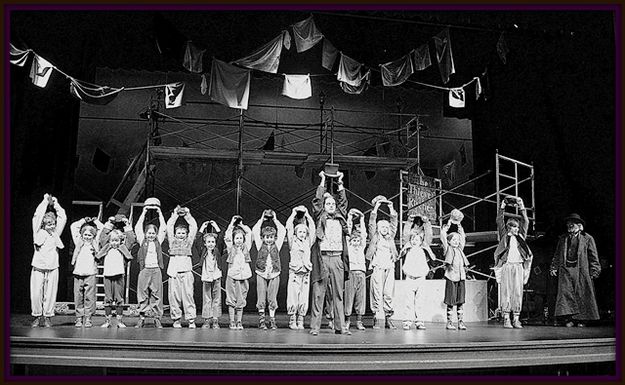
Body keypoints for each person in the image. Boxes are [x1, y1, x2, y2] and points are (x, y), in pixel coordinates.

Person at [309, 170, 351, 336]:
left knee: (338, 295)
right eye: (328, 204)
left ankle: (340, 327)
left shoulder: (341, 216)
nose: (331, 206)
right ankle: (315, 327)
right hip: (323, 258)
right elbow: (317, 201)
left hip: (337, 259)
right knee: (319, 293)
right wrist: (323, 180)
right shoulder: (320, 216)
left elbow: (343, 202)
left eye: (333, 204)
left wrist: (340, 181)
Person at [549, 213, 601, 327]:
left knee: (581, 294)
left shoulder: (587, 239)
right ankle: (569, 319)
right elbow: (557, 254)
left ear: (579, 225)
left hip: (580, 270)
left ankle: (582, 320)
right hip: (566, 270)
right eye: (568, 224)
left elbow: (593, 256)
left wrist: (595, 270)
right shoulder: (563, 239)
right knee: (566, 294)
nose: (569, 225)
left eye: (572, 224)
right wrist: (554, 267)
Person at [493, 196, 533, 328]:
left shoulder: (521, 236)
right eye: (513, 227)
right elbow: (499, 220)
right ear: (509, 228)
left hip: (518, 266)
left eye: (517, 227)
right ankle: (506, 318)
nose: (516, 229)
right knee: (506, 291)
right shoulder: (505, 236)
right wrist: (503, 205)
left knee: (517, 291)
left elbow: (526, 221)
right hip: (507, 266)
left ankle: (516, 317)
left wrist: (521, 206)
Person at [30, 194, 67, 328]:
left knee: (50, 293)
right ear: (43, 224)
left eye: (52, 223)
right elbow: (37, 216)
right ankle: (36, 315)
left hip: (52, 266)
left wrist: (56, 204)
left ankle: (47, 317)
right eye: (47, 224)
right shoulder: (38, 232)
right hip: (38, 266)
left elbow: (63, 216)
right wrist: (45, 202)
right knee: (36, 293)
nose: (50, 226)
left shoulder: (56, 232)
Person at [366, 196, 399, 329]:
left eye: (386, 227)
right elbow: (372, 223)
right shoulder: (374, 237)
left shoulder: (390, 238)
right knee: (376, 292)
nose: (385, 229)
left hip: (389, 267)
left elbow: (394, 223)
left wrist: (391, 208)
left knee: (388, 293)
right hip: (378, 267)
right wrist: (376, 207)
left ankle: (388, 318)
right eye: (382, 227)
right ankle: (375, 317)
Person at [97, 215, 136, 328]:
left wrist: (127, 225)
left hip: (119, 276)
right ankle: (108, 321)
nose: (114, 243)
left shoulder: (123, 248)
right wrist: (109, 223)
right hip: (107, 276)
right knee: (108, 298)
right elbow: (102, 237)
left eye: (116, 241)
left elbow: (131, 239)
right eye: (112, 241)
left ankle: (119, 321)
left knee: (119, 298)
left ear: (120, 241)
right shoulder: (106, 247)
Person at [134, 199, 167, 328]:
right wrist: (144, 212)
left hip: (156, 270)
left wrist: (159, 213)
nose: (151, 235)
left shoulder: (158, 241)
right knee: (142, 293)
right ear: (145, 233)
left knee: (157, 294)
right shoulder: (142, 240)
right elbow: (137, 227)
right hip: (145, 270)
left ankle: (156, 318)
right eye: (149, 233)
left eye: (153, 233)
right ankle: (142, 317)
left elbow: (163, 228)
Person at [252, 210, 286, 330]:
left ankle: (272, 319)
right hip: (261, 273)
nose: (269, 239)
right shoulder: (259, 244)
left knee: (272, 297)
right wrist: (262, 219)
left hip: (274, 273)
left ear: (274, 237)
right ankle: (262, 320)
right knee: (261, 296)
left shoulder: (278, 245)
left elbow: (283, 231)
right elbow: (255, 230)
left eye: (271, 237)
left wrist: (275, 219)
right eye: (266, 237)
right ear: (263, 237)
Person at [166, 206, 199, 328]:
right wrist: (175, 214)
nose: (180, 235)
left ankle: (191, 319)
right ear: (175, 234)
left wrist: (187, 215)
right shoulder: (172, 241)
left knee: (188, 296)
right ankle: (176, 319)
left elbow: (194, 227)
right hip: (174, 272)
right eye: (178, 233)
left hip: (186, 272)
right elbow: (169, 227)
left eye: (183, 233)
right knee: (174, 296)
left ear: (186, 234)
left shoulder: (189, 242)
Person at [70, 216, 104, 328]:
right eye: (85, 234)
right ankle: (79, 318)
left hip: (91, 273)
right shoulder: (78, 242)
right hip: (78, 273)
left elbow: (102, 228)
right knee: (78, 296)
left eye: (90, 235)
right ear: (82, 234)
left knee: (90, 296)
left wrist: (95, 221)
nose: (87, 237)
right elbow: (73, 226)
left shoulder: (95, 243)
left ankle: (88, 318)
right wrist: (83, 220)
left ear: (93, 236)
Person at [285, 206, 315, 330]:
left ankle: (301, 318)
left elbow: (312, 229)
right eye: (300, 232)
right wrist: (293, 213)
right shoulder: (292, 243)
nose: (302, 234)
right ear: (296, 233)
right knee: (293, 295)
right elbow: (288, 226)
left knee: (303, 296)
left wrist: (307, 215)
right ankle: (292, 318)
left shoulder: (308, 243)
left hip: (305, 273)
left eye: (304, 232)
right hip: (295, 273)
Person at [400, 232, 436, 330]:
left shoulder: (423, 251)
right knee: (408, 301)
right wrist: (408, 273)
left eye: (417, 240)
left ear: (421, 241)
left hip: (420, 279)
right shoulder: (408, 251)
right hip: (410, 279)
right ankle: (407, 321)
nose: (414, 241)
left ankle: (419, 321)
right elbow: (403, 259)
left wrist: (423, 273)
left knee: (420, 301)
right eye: (413, 239)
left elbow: (433, 258)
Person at [440, 215, 469, 330]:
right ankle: (449, 322)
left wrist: (459, 225)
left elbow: (463, 238)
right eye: (454, 240)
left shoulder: (460, 250)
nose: (456, 242)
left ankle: (461, 322)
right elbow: (443, 235)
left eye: (457, 240)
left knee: (460, 301)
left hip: (461, 277)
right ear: (449, 241)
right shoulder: (448, 249)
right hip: (451, 277)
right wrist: (448, 225)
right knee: (450, 301)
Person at [224, 215, 253, 330]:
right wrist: (232, 223)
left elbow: (249, 234)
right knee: (231, 298)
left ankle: (239, 321)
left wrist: (241, 225)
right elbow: (227, 236)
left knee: (241, 299)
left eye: (241, 238)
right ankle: (232, 321)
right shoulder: (231, 248)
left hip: (244, 276)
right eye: (237, 238)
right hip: (232, 276)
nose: (239, 240)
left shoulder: (247, 248)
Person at [196, 220, 223, 329]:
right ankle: (207, 319)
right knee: (207, 298)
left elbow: (221, 237)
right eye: (208, 242)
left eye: (212, 242)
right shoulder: (203, 251)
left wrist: (216, 226)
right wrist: (203, 227)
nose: (211, 244)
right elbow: (197, 240)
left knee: (216, 299)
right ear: (205, 243)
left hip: (216, 277)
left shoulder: (218, 251)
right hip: (206, 278)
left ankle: (215, 319)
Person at [344, 208, 367, 330]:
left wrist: (362, 219)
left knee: (360, 298)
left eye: (358, 241)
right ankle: (347, 320)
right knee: (349, 297)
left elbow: (363, 234)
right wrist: (349, 218)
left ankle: (359, 321)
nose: (356, 242)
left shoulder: (362, 246)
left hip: (361, 274)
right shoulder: (349, 246)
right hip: (351, 274)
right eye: (354, 240)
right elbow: (347, 232)